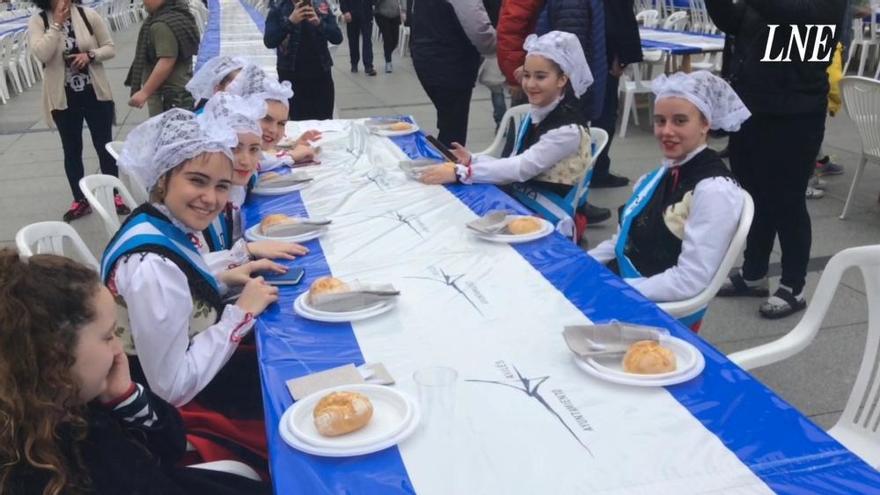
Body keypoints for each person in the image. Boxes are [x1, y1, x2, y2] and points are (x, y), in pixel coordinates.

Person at [0, 250, 270, 494]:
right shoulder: (60, 464)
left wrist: (125, 396)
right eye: (108, 337)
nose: (119, 349)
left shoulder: (79, 401)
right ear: (56, 354)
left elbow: (172, 444)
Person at [102, 109, 284, 466]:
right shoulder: (152, 267)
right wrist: (239, 314)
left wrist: (227, 272)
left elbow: (182, 287)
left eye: (221, 185)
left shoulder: (153, 219)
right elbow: (172, 386)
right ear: (163, 177)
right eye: (197, 181)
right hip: (178, 412)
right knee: (288, 396)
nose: (212, 198)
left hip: (185, 371)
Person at [707, 0, 846, 319]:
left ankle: (793, 286)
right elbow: (734, 19)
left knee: (787, 200)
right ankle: (754, 272)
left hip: (796, 112)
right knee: (752, 195)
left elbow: (794, 15)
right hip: (751, 107)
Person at [589, 71, 749, 330]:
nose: (666, 131)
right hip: (630, 287)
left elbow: (690, 280)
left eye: (680, 121)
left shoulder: (714, 190)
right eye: (660, 120)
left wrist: (616, 289)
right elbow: (621, 240)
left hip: (661, 314)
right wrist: (583, 265)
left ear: (705, 124)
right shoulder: (661, 174)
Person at [419, 31, 594, 240]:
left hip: (551, 219)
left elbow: (521, 168)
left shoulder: (567, 130)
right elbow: (514, 163)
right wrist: (473, 160)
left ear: (562, 80)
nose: (530, 84)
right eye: (527, 75)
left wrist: (463, 172)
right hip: (523, 199)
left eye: (540, 76)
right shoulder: (540, 112)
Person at [28, 0, 126, 222]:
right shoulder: (38, 21)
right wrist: (56, 25)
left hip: (95, 92)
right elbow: (42, 54)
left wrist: (90, 55)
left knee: (104, 145)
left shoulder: (87, 15)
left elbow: (109, 47)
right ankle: (80, 199)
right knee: (72, 149)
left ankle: (114, 193)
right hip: (63, 96)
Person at [195, 92, 310, 264]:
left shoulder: (232, 185)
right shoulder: (197, 205)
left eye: (254, 149)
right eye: (234, 148)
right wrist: (248, 251)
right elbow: (190, 270)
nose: (246, 161)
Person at [408, 0, 496, 147]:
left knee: (448, 123)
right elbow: (480, 32)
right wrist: (501, 44)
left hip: (427, 55)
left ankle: (442, 160)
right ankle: (447, 166)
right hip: (451, 61)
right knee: (454, 133)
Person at [585, 0, 642, 189]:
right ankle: (597, 170)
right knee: (605, 114)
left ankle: (593, 168)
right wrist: (622, 56)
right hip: (605, 54)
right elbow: (619, 18)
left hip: (591, 49)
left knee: (594, 114)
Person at [225, 64, 320, 169]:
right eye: (266, 119)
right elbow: (251, 165)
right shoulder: (222, 148)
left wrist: (292, 146)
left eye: (281, 123)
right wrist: (290, 156)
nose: (274, 130)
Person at [264, 0, 343, 120]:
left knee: (324, 124)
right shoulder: (278, 7)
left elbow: (337, 38)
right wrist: (290, 22)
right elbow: (269, 41)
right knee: (295, 125)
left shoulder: (321, 6)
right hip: (290, 77)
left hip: (321, 76)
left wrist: (319, 23)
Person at [126, 0, 200, 116]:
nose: (143, 2)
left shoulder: (162, 25)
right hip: (182, 91)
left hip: (169, 98)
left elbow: (167, 60)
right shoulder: (178, 15)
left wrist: (144, 92)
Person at [341, 0, 376, 75]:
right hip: (352, 12)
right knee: (353, 40)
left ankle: (368, 66)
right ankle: (354, 63)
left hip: (366, 13)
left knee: (367, 40)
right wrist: (345, 11)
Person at [374, 0, 404, 73]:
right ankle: (388, 62)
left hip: (395, 14)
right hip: (382, 14)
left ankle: (387, 53)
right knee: (388, 39)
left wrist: (403, 11)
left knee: (395, 41)